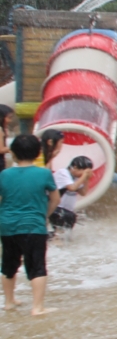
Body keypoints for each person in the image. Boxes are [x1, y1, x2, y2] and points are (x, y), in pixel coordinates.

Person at [0, 134, 58, 315]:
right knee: (37, 265)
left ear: (14, 154)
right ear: (38, 152)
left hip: (7, 225)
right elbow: (55, 199)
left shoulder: (4, 174)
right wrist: (44, 215)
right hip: (33, 225)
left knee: (8, 264)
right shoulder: (43, 173)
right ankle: (37, 307)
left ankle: (9, 301)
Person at [50, 155, 93, 233]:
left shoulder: (77, 177)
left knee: (66, 234)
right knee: (58, 233)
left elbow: (83, 192)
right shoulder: (63, 173)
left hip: (67, 211)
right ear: (75, 167)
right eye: (84, 171)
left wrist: (86, 179)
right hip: (54, 208)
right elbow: (72, 187)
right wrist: (84, 176)